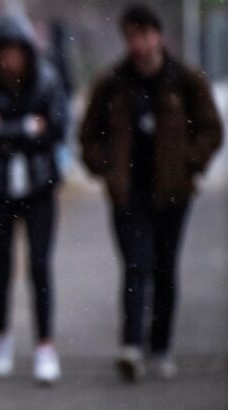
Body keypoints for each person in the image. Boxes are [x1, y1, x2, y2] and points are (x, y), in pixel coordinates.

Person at [80, 4, 222, 383]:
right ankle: (131, 345)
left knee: (164, 268)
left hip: (173, 192)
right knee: (135, 266)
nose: (139, 45)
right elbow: (88, 134)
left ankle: (160, 346)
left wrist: (191, 163)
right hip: (129, 193)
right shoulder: (113, 84)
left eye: (144, 35)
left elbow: (211, 129)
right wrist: (105, 168)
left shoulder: (185, 81)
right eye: (132, 37)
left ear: (158, 36)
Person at [0, 15, 67, 384]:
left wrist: (7, 129)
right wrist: (28, 125)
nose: (10, 61)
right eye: (3, 53)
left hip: (39, 186)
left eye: (16, 52)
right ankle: (1, 338)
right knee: (2, 268)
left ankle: (45, 344)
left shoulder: (47, 81)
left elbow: (55, 128)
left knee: (40, 267)